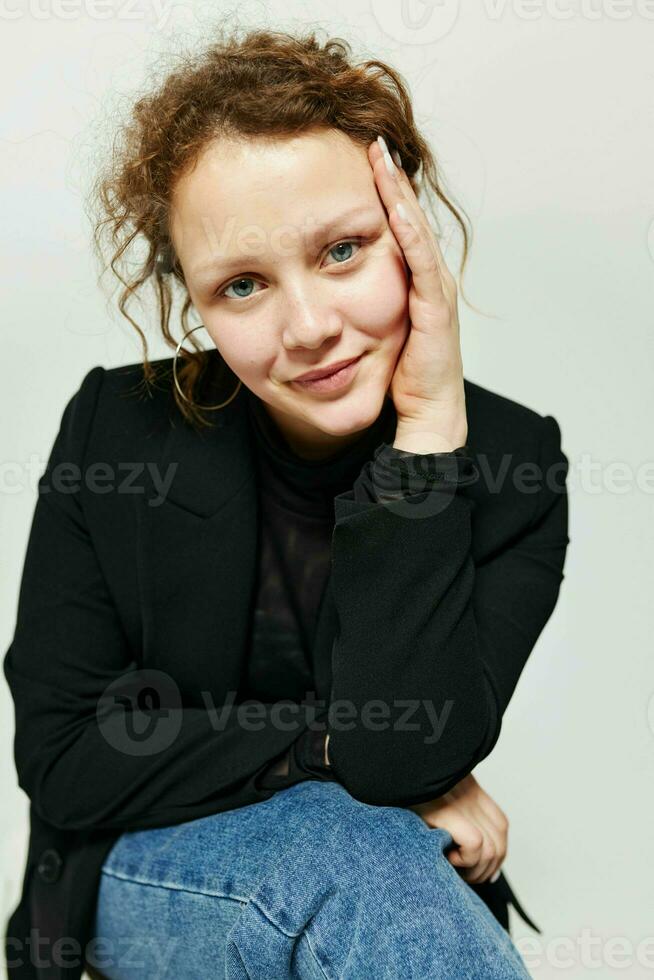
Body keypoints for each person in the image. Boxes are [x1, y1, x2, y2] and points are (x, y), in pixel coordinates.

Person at [3, 26, 569, 980]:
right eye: (244, 285)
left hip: (386, 887)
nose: (308, 327)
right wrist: (328, 744)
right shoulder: (120, 432)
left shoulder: (509, 465)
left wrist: (427, 430)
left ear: (412, 233)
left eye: (343, 249)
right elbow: (63, 757)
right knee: (350, 856)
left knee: (363, 854)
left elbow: (404, 762)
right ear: (194, 304)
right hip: (146, 867)